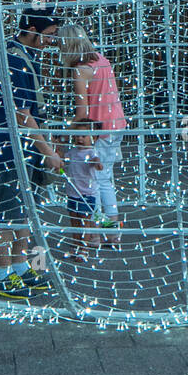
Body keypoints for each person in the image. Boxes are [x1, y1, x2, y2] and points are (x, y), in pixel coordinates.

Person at [0, 8, 64, 298]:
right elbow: (21, 114)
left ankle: (19, 268)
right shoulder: (15, 60)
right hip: (10, 147)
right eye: (48, 35)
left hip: (26, 148)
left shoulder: (26, 58)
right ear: (31, 28)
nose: (50, 41)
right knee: (9, 212)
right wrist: (49, 151)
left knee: (24, 211)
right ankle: (1, 275)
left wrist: (47, 146)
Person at [60, 24, 127, 250]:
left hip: (97, 129)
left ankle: (95, 233)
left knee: (94, 183)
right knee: (105, 179)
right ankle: (112, 232)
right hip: (116, 124)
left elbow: (82, 113)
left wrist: (63, 134)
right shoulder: (102, 59)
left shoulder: (80, 69)